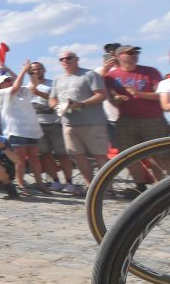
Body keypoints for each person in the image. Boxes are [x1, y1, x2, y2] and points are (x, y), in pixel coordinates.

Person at [104, 45, 169, 196]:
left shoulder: (150, 71)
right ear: (120, 56)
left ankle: (162, 189)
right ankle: (140, 187)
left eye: (136, 52)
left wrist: (137, 93)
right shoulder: (111, 76)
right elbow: (111, 98)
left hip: (152, 119)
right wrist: (117, 99)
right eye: (130, 53)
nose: (134, 55)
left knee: (158, 154)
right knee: (128, 155)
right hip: (125, 120)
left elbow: (160, 95)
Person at [49, 50, 108, 192]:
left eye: (69, 58)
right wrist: (55, 106)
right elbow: (52, 98)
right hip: (68, 123)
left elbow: (101, 95)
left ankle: (107, 188)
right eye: (61, 59)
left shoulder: (90, 74)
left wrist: (81, 104)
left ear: (77, 59)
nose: (65, 61)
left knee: (99, 156)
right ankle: (91, 187)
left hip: (92, 122)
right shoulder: (58, 79)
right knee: (78, 156)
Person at [0, 62, 49, 194]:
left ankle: (40, 183)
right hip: (16, 129)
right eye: (6, 80)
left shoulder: (21, 92)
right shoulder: (0, 94)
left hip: (31, 129)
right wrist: (23, 70)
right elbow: (16, 86)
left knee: (35, 157)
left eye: (9, 79)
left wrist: (29, 72)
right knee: (20, 159)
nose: (9, 80)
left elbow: (34, 84)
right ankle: (21, 184)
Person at [27, 61, 76, 191]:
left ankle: (69, 181)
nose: (36, 72)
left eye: (38, 69)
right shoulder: (27, 87)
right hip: (38, 124)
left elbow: (59, 100)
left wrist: (38, 93)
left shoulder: (52, 83)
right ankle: (55, 180)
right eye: (32, 70)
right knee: (45, 154)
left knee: (62, 154)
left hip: (55, 123)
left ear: (44, 70)